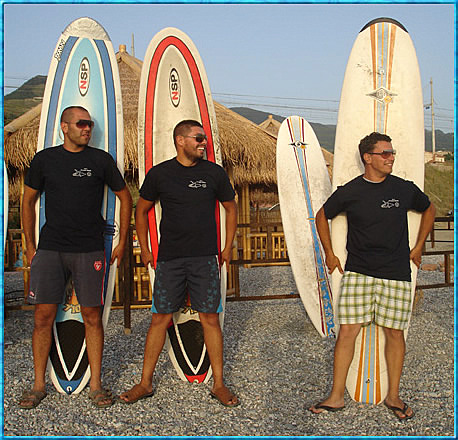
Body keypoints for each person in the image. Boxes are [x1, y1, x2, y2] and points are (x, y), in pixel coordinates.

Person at [309, 132, 435, 420]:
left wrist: (418, 246)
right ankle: (337, 396)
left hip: (396, 273)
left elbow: (429, 209)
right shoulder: (350, 191)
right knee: (347, 332)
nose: (391, 157)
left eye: (392, 153)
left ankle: (393, 396)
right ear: (368, 157)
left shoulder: (403, 189)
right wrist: (329, 253)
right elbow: (321, 215)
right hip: (358, 272)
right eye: (385, 153)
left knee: (394, 333)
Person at [19, 106, 132, 409]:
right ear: (64, 127)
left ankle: (96, 385)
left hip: (90, 248)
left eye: (90, 124)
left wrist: (121, 240)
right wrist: (30, 245)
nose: (87, 129)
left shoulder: (100, 160)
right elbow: (27, 200)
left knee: (92, 317)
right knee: (43, 317)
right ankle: (39, 385)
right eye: (81, 124)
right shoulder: (45, 160)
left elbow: (125, 197)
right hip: (52, 248)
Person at [120, 120, 239, 407]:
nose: (203, 143)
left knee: (209, 318)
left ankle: (219, 384)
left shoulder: (214, 173)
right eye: (198, 138)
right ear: (180, 140)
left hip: (204, 259)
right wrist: (146, 249)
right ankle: (145, 383)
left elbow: (231, 207)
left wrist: (227, 245)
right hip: (170, 259)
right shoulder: (160, 174)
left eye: (205, 139)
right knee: (159, 318)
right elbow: (142, 209)